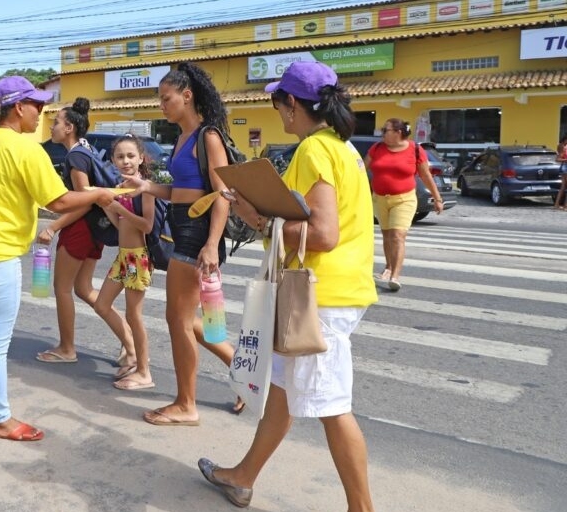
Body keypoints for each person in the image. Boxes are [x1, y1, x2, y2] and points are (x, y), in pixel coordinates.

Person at [197, 61, 378, 511]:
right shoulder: (342, 147)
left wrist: (257, 218)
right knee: (282, 389)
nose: (277, 112)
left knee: (332, 406)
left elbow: (323, 234)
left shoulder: (314, 150)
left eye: (278, 103)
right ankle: (242, 477)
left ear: (292, 104)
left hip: (320, 297)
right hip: (332, 289)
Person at [0, 77, 115, 442]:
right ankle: (0, 419)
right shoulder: (25, 148)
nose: (42, 112)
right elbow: (60, 202)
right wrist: (101, 193)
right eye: (37, 105)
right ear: (19, 108)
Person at [121, 62, 245, 425]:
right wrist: (146, 188)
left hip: (198, 232)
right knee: (185, 319)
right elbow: (179, 191)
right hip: (182, 226)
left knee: (178, 319)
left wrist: (211, 244)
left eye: (166, 98)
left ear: (187, 96)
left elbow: (222, 194)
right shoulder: (181, 138)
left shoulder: (209, 136)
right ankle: (245, 374)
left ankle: (186, 404)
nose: (162, 104)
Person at [35, 98, 131, 374]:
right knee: (84, 289)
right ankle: (130, 340)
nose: (52, 127)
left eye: (56, 123)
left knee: (62, 288)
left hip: (80, 230)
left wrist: (52, 227)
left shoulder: (75, 155)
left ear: (69, 127)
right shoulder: (87, 149)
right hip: (95, 231)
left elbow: (84, 201)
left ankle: (67, 348)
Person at [93, 135, 156, 390]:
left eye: (131, 156)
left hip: (138, 257)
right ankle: (131, 355)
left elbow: (147, 225)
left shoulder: (146, 187)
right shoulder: (120, 186)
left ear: (141, 158)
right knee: (101, 304)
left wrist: (121, 210)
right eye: (120, 156)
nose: (125, 161)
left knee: (134, 315)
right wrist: (109, 206)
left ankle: (144, 370)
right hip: (123, 257)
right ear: (112, 160)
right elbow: (121, 225)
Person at [364, 117, 443, 292]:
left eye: (386, 130)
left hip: (404, 199)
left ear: (398, 133)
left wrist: (437, 198)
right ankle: (388, 267)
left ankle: (395, 276)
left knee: (397, 235)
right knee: (386, 235)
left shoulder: (415, 149)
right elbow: (361, 169)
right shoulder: (377, 148)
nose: (382, 134)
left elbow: (425, 175)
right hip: (379, 198)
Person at [554, 135, 567, 211]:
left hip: (563, 167)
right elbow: (558, 159)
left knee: (563, 187)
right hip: (565, 167)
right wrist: (565, 160)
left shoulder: (563, 146)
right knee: (564, 187)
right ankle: (565, 206)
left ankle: (557, 204)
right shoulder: (562, 146)